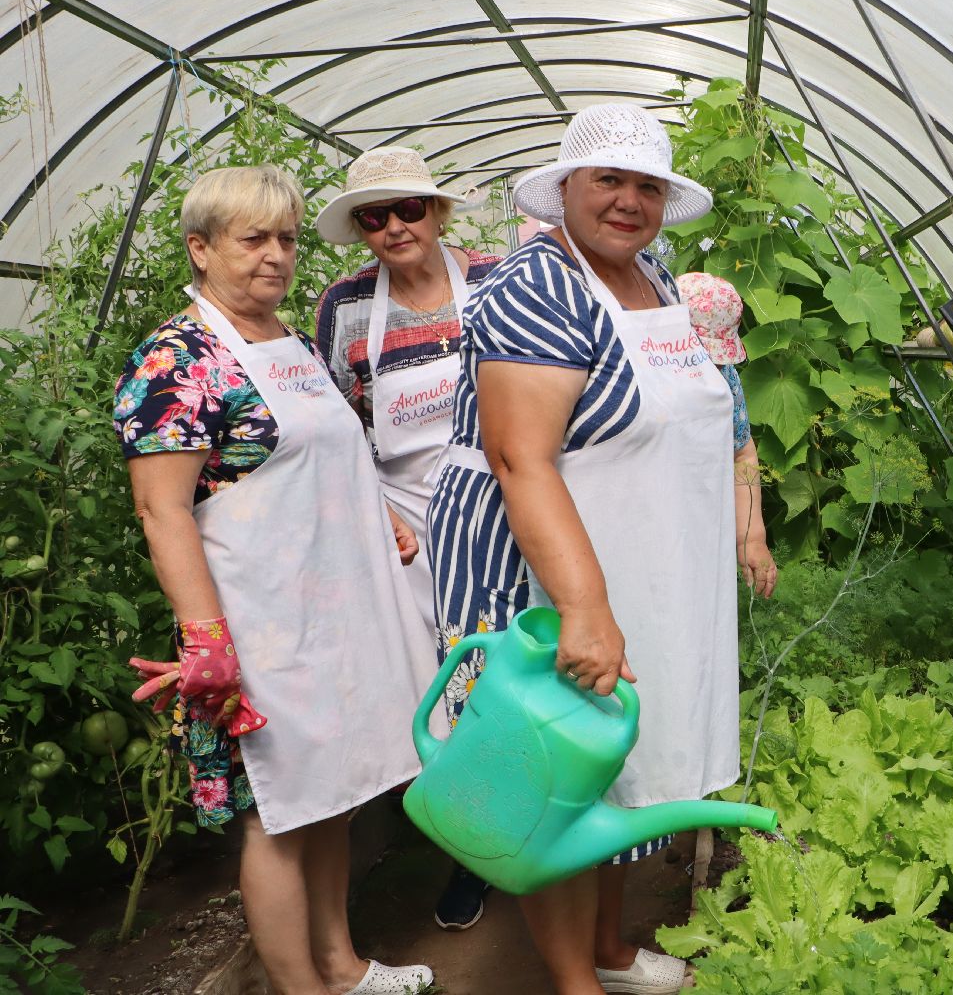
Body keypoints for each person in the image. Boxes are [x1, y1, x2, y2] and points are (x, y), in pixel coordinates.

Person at [427, 103, 769, 995]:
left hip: (636, 550)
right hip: (536, 561)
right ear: (567, 189)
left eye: (646, 185)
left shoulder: (649, 273)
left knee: (624, 757)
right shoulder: (538, 286)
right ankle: (573, 979)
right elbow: (519, 457)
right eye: (607, 181)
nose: (627, 201)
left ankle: (611, 951)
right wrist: (582, 608)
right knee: (558, 769)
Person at [116, 165, 439, 994]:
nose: (275, 256)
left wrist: (382, 514)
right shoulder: (177, 360)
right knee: (277, 814)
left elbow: (332, 453)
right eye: (253, 238)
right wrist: (206, 641)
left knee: (333, 795)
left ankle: (343, 965)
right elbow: (164, 511)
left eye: (287, 239)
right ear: (200, 248)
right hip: (255, 627)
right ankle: (302, 987)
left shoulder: (287, 342)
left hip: (325, 614)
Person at [313, 148, 502, 933]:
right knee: (434, 687)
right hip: (407, 525)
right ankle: (472, 851)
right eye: (373, 216)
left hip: (499, 503)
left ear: (439, 212)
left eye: (408, 210)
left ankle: (531, 830)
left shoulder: (496, 276)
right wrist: (374, 511)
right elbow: (336, 421)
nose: (393, 227)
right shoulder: (348, 305)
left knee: (503, 675)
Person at [675, 271, 775, 599]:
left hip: (703, 520)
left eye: (713, 356)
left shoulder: (726, 379)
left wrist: (751, 538)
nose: (706, 366)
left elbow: (742, 453)